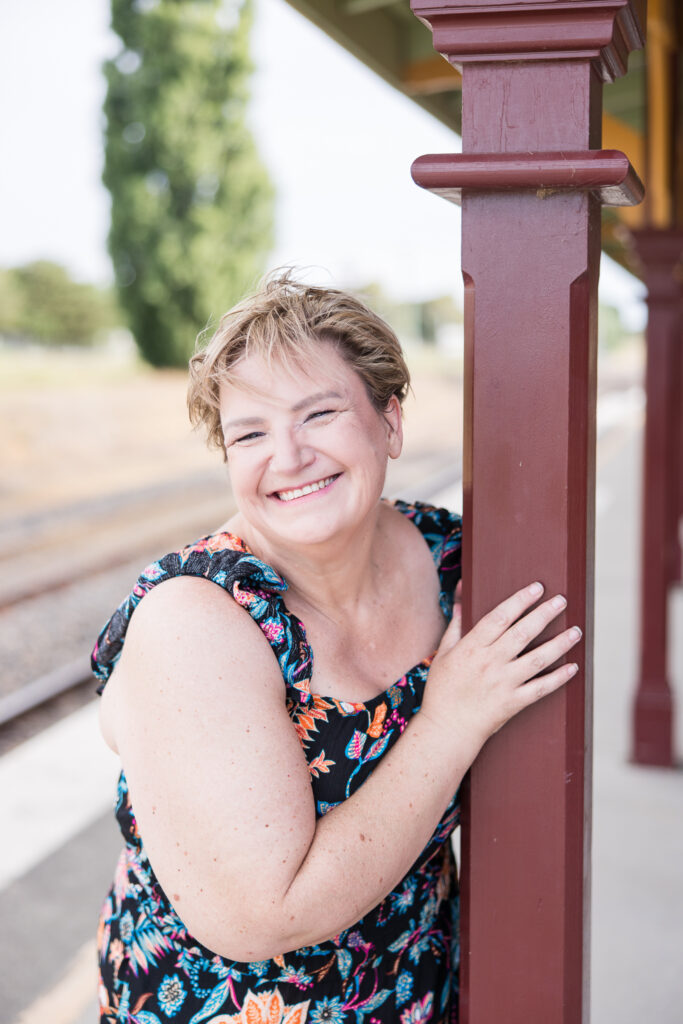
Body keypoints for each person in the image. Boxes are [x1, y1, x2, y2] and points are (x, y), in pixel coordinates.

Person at [92, 272, 582, 1024]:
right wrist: (449, 722)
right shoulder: (197, 620)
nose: (287, 457)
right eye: (250, 433)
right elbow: (259, 918)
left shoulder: (460, 562)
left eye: (318, 414)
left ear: (388, 421)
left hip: (422, 991)